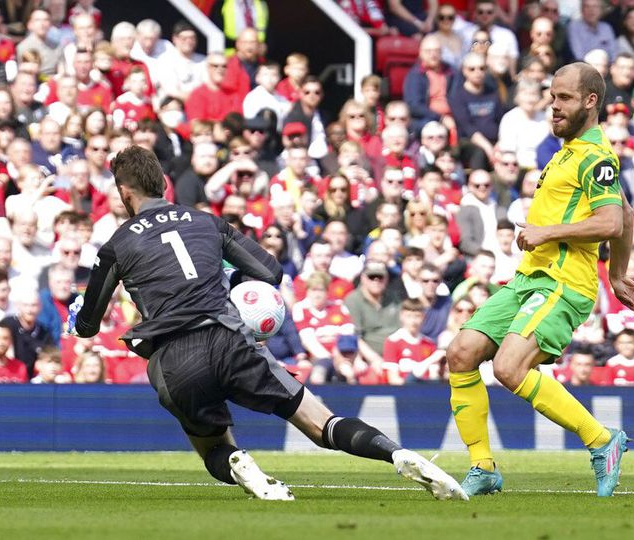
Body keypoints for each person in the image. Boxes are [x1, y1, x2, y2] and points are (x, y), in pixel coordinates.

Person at [69, 146, 466, 500]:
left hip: (174, 358)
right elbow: (270, 270)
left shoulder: (117, 243)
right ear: (163, 185)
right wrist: (231, 281)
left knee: (212, 448)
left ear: (124, 191)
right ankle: (397, 454)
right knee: (320, 423)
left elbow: (88, 326)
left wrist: (78, 318)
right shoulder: (205, 221)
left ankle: (242, 465)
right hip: (230, 338)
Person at [445, 62, 634, 498]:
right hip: (529, 278)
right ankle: (483, 467)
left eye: (563, 98)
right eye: (552, 97)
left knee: (508, 367)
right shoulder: (567, 151)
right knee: (462, 352)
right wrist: (617, 274)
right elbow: (628, 214)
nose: (552, 106)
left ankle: (602, 440)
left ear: (590, 101)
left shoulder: (596, 155)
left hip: (563, 283)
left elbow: (612, 220)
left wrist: (547, 233)